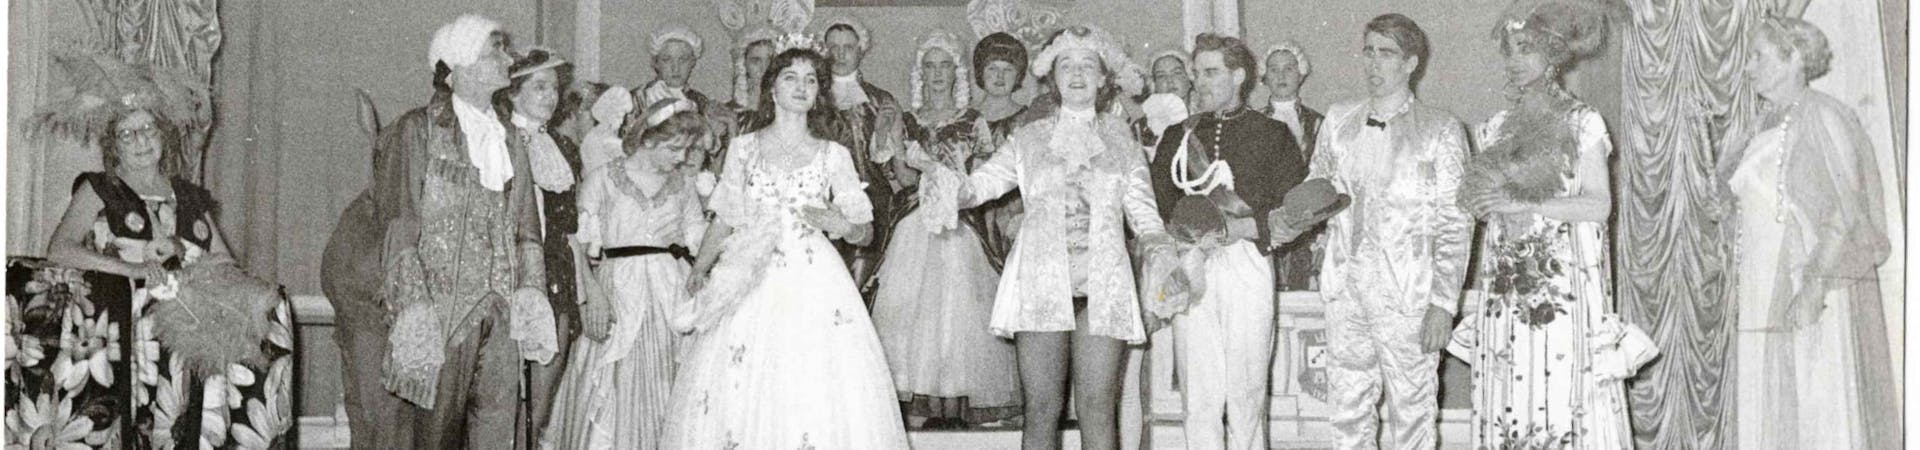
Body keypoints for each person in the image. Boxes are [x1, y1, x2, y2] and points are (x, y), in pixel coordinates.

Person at [920, 25, 1172, 450]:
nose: (1077, 74)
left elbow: (1144, 215)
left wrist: (1162, 255)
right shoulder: (1028, 138)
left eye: (1087, 65)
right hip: (1040, 285)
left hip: (1103, 286)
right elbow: (980, 186)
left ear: (1103, 78)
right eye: (1066, 65)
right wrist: (948, 184)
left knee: (1097, 410)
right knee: (1040, 410)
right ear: (1052, 77)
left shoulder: (1121, 139)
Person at [33, 55, 294, 446]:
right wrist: (133, 271)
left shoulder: (189, 196)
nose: (140, 141)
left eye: (148, 129)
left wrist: (189, 258)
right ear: (113, 146)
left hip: (188, 322)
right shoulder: (98, 189)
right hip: (124, 326)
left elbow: (225, 263)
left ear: (164, 135)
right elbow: (60, 250)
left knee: (270, 309)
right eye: (127, 134)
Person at [662, 42, 910, 449]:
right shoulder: (743, 148)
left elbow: (865, 231)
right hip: (748, 275)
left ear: (819, 93)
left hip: (813, 276)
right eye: (791, 78)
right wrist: (701, 269)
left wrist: (841, 224)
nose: (801, 87)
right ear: (772, 89)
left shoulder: (834, 154)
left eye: (811, 80)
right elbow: (725, 217)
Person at [1269, 14, 1472, 450]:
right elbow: (1318, 187)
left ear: (1411, 63)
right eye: (1369, 52)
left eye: (1387, 53)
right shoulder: (1339, 120)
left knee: (1413, 411)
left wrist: (1443, 303)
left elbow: (1456, 221)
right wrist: (1290, 216)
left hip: (1409, 293)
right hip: (1346, 286)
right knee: (1346, 409)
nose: (1374, 63)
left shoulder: (1441, 128)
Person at [1450, 2, 1644, 447]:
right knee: (1508, 397)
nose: (1514, 60)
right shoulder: (1495, 128)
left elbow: (1599, 205)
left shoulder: (1582, 122)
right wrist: (1482, 201)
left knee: (1559, 397)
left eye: (1526, 49)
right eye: (1510, 50)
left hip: (1560, 294)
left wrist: (1526, 202)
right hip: (1505, 295)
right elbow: (1482, 205)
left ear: (1553, 53)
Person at [357, 15, 555, 449]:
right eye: (495, 51)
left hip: (501, 314)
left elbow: (527, 231)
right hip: (440, 316)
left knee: (498, 435)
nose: (508, 59)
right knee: (434, 438)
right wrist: (414, 309)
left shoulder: (510, 139)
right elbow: (399, 225)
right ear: (462, 65)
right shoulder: (418, 130)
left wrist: (531, 295)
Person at [1717, 15, 1899, 449]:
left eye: (1758, 56)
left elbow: (1846, 210)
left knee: (1816, 398)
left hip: (1808, 282)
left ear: (1795, 57)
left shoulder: (1826, 115)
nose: (1748, 67)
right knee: (1767, 399)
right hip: (1760, 282)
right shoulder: (1759, 124)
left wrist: (1814, 285)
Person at [1147, 33, 1305, 450]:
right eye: (1197, 73)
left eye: (1211, 72)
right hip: (1192, 261)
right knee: (1198, 391)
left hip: (1246, 261)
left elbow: (1292, 209)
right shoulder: (1176, 137)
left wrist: (1239, 229)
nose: (1200, 82)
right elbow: (1159, 206)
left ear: (1238, 76)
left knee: (1246, 390)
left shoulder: (1272, 134)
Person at [874, 29, 1021, 430]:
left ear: (956, 72)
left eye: (944, 66)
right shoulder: (907, 121)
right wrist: (899, 145)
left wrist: (948, 178)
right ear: (920, 73)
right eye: (930, 66)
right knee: (910, 310)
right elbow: (905, 180)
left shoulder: (973, 121)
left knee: (959, 309)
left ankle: (956, 404)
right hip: (915, 221)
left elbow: (983, 180)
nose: (937, 73)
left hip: (959, 221)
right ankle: (919, 409)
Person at [541, 98, 709, 450]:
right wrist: (591, 298)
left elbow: (699, 243)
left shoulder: (683, 186)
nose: (682, 158)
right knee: (612, 384)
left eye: (687, 149)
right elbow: (577, 244)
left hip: (668, 297)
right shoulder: (603, 179)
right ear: (648, 139)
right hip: (617, 292)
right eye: (674, 148)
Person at [491, 47, 579, 447]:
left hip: (556, 272)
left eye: (554, 88)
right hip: (510, 273)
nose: (550, 96)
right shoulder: (498, 141)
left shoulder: (562, 147)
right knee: (503, 396)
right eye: (539, 87)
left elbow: (570, 229)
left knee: (542, 396)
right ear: (513, 92)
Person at [818, 17, 906, 300]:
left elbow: (892, 168)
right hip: (824, 202)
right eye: (833, 47)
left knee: (863, 285)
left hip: (872, 203)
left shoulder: (880, 100)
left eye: (847, 47)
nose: (839, 54)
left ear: (860, 50)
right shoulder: (813, 99)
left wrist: (881, 135)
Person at [1256, 41, 1325, 291]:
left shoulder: (1319, 124)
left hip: (1309, 224)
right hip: (1265, 223)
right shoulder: (1251, 123)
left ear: (1301, 74)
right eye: (1274, 69)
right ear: (1264, 76)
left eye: (1289, 69)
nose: (1281, 76)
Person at [1136, 50, 1194, 151]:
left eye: (1176, 73)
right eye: (1161, 76)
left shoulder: (1205, 118)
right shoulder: (1145, 128)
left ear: (1189, 79)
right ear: (1154, 85)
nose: (1169, 80)